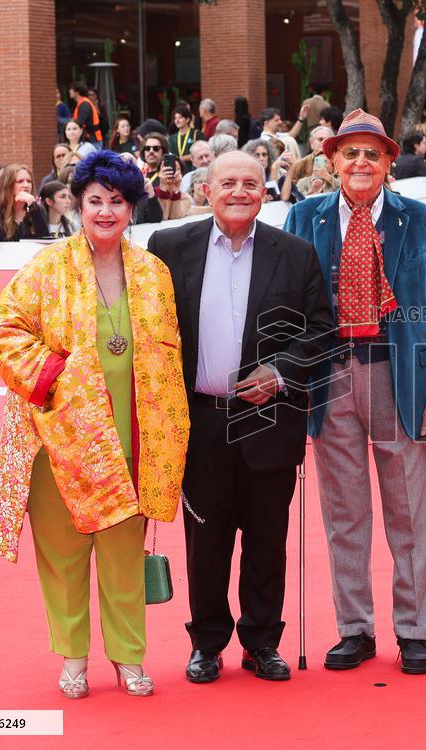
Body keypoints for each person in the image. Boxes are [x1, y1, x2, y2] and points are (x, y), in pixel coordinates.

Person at [0, 150, 189, 698]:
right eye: (95, 200)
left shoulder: (152, 274)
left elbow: (170, 358)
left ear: (132, 209)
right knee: (63, 558)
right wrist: (59, 380)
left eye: (117, 202)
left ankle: (129, 658)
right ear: (77, 204)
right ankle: (73, 658)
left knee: (125, 559)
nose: (105, 211)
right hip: (61, 443)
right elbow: (6, 333)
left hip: (132, 442)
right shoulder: (46, 268)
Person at [147, 151, 334, 684]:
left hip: (269, 419)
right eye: (227, 182)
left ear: (265, 191)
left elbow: (320, 330)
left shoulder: (295, 254)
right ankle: (206, 643)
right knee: (205, 542)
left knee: (266, 539)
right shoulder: (168, 248)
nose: (238, 191)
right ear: (206, 189)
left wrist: (279, 373)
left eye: (250, 183)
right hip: (200, 421)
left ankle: (262, 641)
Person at [283, 109, 426, 676]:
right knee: (345, 512)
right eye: (349, 153)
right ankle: (354, 628)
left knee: (408, 511)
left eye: (372, 153)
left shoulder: (420, 219)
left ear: (389, 162)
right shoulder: (303, 217)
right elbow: (285, 307)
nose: (360, 162)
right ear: (332, 161)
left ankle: (413, 631)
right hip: (328, 375)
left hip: (397, 374)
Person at [0, 165, 48, 242]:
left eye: (29, 181)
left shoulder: (38, 209)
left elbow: (46, 240)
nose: (26, 185)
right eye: (20, 181)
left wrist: (33, 205)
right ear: (9, 184)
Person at [282, 126, 336, 201]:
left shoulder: (339, 162)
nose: (324, 142)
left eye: (327, 140)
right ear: (311, 143)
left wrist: (329, 178)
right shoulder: (301, 163)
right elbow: (290, 194)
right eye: (320, 139)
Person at [169, 104, 206, 175]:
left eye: (180, 117)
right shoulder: (172, 138)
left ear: (188, 119)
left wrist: (180, 158)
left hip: (194, 171)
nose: (177, 120)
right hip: (178, 173)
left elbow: (201, 153)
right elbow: (171, 156)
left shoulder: (196, 134)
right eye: (175, 118)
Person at [68, 81, 103, 146]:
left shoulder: (84, 105)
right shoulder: (83, 103)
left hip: (92, 141)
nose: (69, 91)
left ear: (77, 92)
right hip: (92, 140)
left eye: (71, 89)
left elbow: (79, 123)